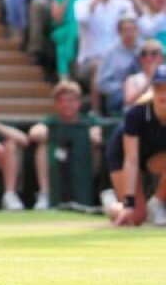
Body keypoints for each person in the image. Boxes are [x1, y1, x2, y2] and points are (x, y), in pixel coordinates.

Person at [28, 80, 104, 212]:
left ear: (79, 102)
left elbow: (97, 137)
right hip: (57, 164)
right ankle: (45, 195)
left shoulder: (89, 121)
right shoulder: (51, 121)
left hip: (85, 167)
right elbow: (34, 133)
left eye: (71, 100)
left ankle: (90, 196)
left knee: (96, 147)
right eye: (61, 101)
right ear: (56, 104)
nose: (66, 105)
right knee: (42, 146)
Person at [106, 67, 166, 227]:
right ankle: (112, 204)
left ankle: (157, 202)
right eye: (159, 88)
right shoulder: (136, 114)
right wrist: (129, 203)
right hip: (123, 154)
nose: (163, 93)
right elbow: (131, 159)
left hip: (153, 156)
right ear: (152, 89)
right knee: (136, 217)